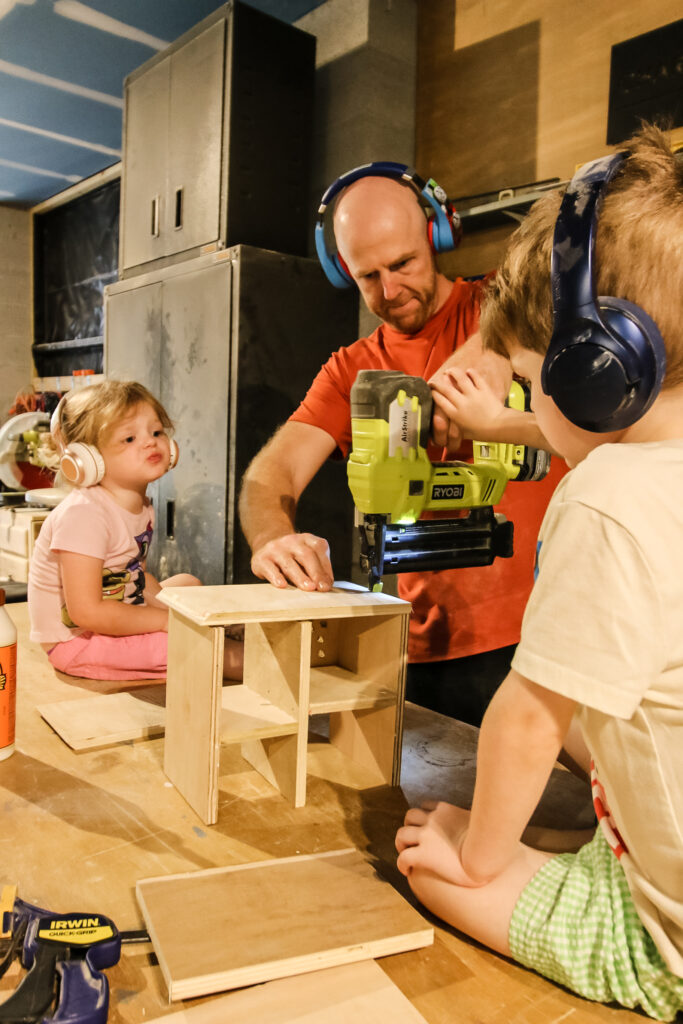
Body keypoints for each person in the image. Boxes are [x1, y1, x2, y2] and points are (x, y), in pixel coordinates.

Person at [395, 125, 683, 1020]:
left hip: (668, 942)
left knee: (430, 864)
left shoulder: (605, 497)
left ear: (601, 375)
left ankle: (590, 890)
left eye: (526, 382)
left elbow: (526, 715)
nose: (522, 405)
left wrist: (481, 856)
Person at [239, 162, 566, 725]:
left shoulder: (509, 300)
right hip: (428, 648)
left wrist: (488, 348)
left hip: (548, 628)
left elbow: (582, 246)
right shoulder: (351, 369)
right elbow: (270, 476)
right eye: (368, 276)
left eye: (402, 264)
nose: (390, 291)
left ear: (436, 235)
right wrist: (273, 540)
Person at [29, 380, 243, 681]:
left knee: (190, 585)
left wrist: (180, 611)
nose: (150, 442)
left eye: (156, 432)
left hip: (115, 611)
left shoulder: (139, 505)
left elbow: (134, 575)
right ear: (88, 458)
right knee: (210, 647)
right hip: (78, 641)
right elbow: (86, 613)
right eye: (128, 438)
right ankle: (265, 665)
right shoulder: (83, 516)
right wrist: (166, 620)